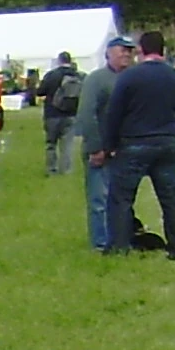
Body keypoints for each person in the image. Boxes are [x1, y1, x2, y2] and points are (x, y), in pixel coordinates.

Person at [95, 28, 175, 260]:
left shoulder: (130, 77)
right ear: (163, 50)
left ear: (141, 50)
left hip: (134, 144)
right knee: (170, 198)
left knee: (121, 198)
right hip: (167, 142)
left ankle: (119, 246)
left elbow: (114, 114)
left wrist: (109, 146)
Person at [73, 37, 135, 250]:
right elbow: (87, 114)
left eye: (130, 51)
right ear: (108, 52)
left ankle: (121, 240)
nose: (126, 54)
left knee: (122, 199)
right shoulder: (96, 79)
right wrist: (96, 147)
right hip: (101, 149)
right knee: (100, 200)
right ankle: (101, 243)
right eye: (122, 50)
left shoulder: (133, 78)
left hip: (125, 149)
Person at [36, 52, 82, 175]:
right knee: (67, 144)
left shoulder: (52, 75)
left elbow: (40, 92)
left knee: (51, 144)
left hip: (52, 113)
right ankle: (66, 169)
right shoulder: (78, 75)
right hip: (71, 113)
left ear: (59, 61)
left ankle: (51, 169)